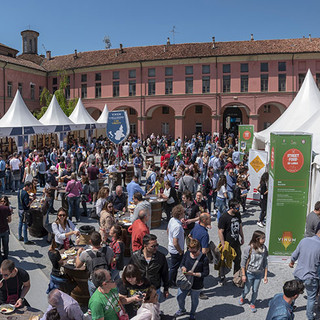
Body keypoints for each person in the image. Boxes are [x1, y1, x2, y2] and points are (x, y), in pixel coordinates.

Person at [288, 222, 320, 320]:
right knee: (311, 298)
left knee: (295, 292)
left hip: (298, 274)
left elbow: (294, 255)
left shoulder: (304, 240)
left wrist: (292, 263)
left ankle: (290, 308)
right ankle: (310, 317)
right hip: (311, 277)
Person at [174, 239, 209, 320]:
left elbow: (206, 273)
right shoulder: (187, 253)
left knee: (194, 299)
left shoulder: (204, 259)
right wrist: (183, 268)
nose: (192, 254)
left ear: (199, 248)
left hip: (197, 284)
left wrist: (193, 274)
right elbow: (182, 263)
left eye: (194, 252)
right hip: (186, 281)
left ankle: (192, 313)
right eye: (190, 251)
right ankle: (182, 309)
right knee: (180, 297)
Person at [130, 234, 169, 300]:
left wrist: (166, 289)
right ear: (145, 246)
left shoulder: (160, 257)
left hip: (154, 289)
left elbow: (165, 273)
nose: (156, 248)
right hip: (139, 289)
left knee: (153, 309)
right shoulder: (135, 256)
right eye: (153, 246)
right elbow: (130, 272)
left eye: (157, 245)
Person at [75, 231, 113, 296]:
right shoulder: (109, 250)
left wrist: (78, 253)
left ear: (90, 242)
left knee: (94, 299)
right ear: (101, 240)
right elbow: (110, 262)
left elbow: (77, 265)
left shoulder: (85, 254)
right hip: (106, 280)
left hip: (93, 280)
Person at [239, 230, 268, 313]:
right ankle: (243, 296)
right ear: (256, 239)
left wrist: (265, 276)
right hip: (249, 273)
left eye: (264, 238)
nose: (264, 240)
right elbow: (243, 264)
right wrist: (244, 275)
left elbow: (265, 263)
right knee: (247, 289)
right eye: (262, 238)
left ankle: (252, 303)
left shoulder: (264, 248)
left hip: (259, 274)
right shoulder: (249, 248)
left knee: (255, 290)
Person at [218, 199, 244, 284]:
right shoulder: (224, 217)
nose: (238, 209)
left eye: (238, 207)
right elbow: (220, 231)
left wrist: (242, 237)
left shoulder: (238, 215)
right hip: (227, 244)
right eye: (237, 207)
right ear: (231, 207)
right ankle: (222, 276)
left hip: (236, 242)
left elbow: (240, 226)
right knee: (224, 262)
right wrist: (223, 244)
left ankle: (236, 278)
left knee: (237, 260)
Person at [167, 204, 184, 287]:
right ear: (180, 214)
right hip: (176, 250)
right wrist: (180, 251)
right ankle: (170, 282)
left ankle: (172, 281)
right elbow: (175, 242)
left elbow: (168, 230)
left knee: (174, 266)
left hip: (171, 248)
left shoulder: (172, 220)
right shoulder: (177, 226)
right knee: (174, 267)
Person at [0, 197, 11, 262]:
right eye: (2, 201)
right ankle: (5, 259)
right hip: (5, 230)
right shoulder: (7, 208)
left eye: (4, 201)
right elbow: (9, 220)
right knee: (5, 246)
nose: (3, 203)